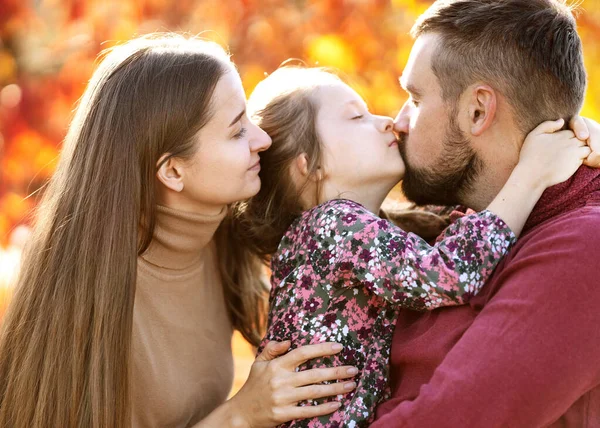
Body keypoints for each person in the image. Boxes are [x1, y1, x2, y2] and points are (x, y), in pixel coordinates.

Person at [0, 34, 359, 428]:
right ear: (172, 171)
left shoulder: (223, 234)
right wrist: (242, 413)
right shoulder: (85, 304)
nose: (263, 140)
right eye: (237, 131)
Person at [237, 66, 591, 427]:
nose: (387, 121)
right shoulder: (332, 225)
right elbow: (449, 273)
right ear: (307, 166)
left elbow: (462, 223)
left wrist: (579, 133)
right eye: (357, 117)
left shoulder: (345, 233)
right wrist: (532, 174)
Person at [370, 1, 600, 426]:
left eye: (415, 99)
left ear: (478, 110)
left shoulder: (583, 249)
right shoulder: (470, 220)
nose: (398, 121)